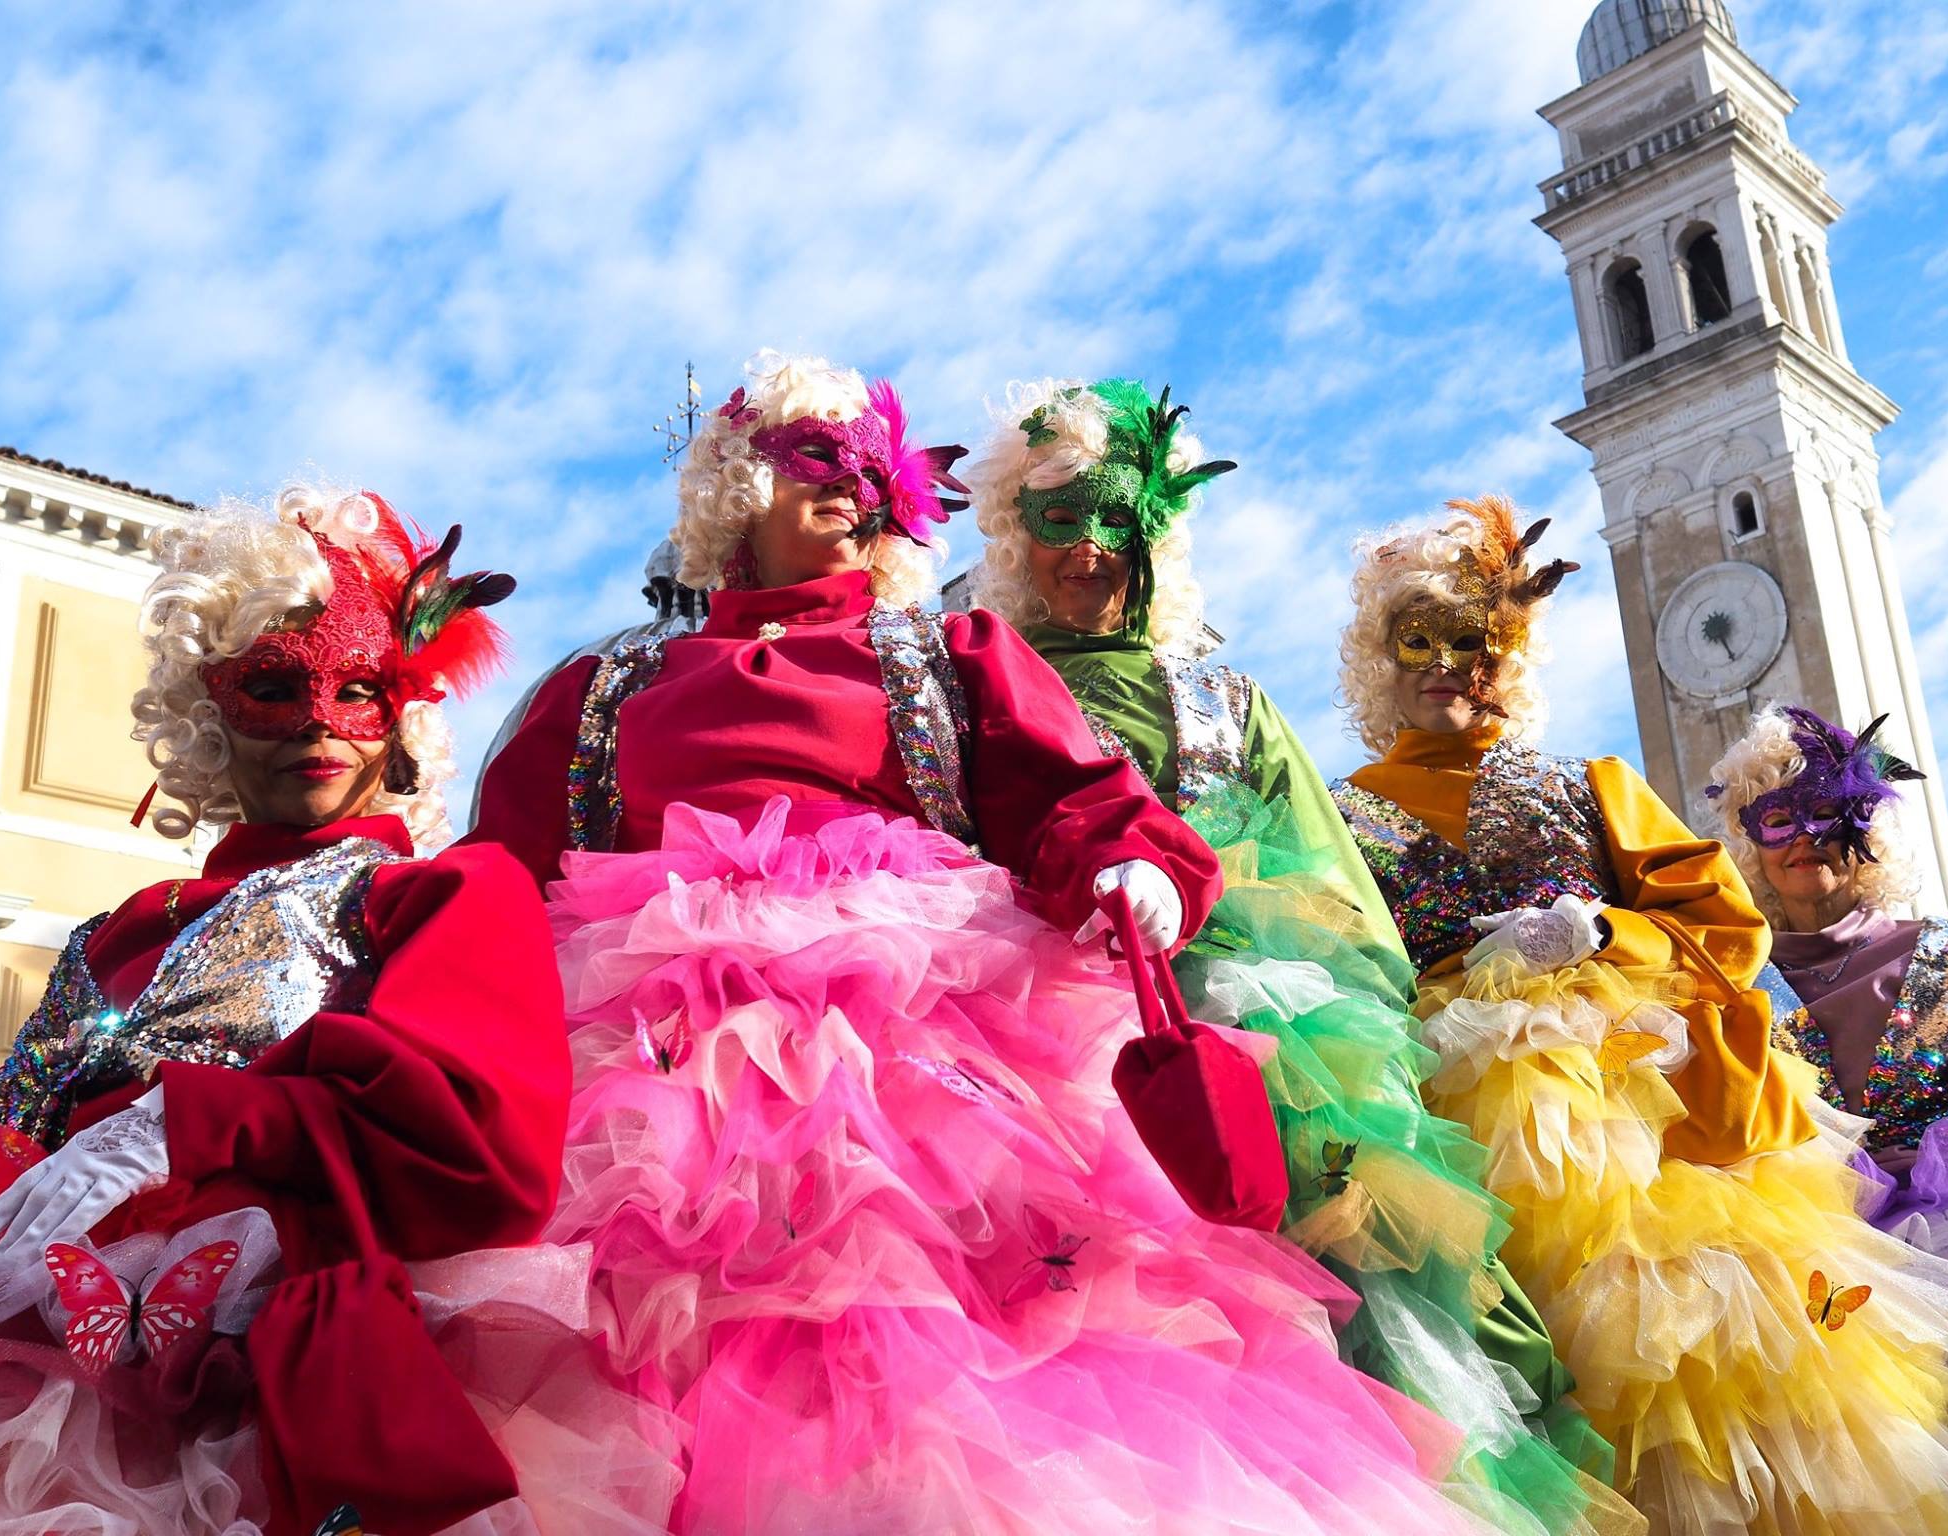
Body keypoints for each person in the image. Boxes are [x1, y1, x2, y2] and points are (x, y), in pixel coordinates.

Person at [469, 350, 1507, 1533]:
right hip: (651, 1045)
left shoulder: (948, 655)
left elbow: (1074, 793)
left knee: (948, 1338)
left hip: (913, 1021)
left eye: (879, 475)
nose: (852, 490)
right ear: (735, 480)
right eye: (818, 458)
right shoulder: (610, 683)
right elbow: (496, 871)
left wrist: (1126, 863)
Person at [967, 376, 1636, 1536]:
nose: (1081, 550)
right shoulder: (970, 681)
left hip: (1269, 1042)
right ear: (1011, 535)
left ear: (1155, 534)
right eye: (1054, 520)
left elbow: (1339, 899)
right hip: (1045, 1026)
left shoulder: (1224, 696)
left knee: (1348, 1320)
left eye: (1109, 520)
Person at [1329, 495, 1948, 1533]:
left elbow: (1725, 926)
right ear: (1380, 658)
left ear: (1504, 657)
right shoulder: (1341, 816)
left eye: (1470, 641)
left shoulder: (1582, 782)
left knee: (1705, 1366)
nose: (1444, 666)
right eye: (1417, 640)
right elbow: (1336, 966)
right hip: (1451, 1124)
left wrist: (1601, 931)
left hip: (1645, 1116)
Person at [0, 488, 593, 1536]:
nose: (316, 724)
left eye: (359, 688)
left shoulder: (436, 896)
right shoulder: (112, 935)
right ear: (207, 711)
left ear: (403, 714)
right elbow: (14, 1156)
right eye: (271, 686)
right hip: (36, 1370)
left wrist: (187, 1120)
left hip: (277, 1375)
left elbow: (482, 1155)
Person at [1708, 703, 1948, 1446]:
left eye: (1829, 813)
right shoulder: (1728, 986)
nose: (1806, 838)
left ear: (1867, 826)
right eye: (1777, 818)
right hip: (1823, 1299)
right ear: (1748, 840)